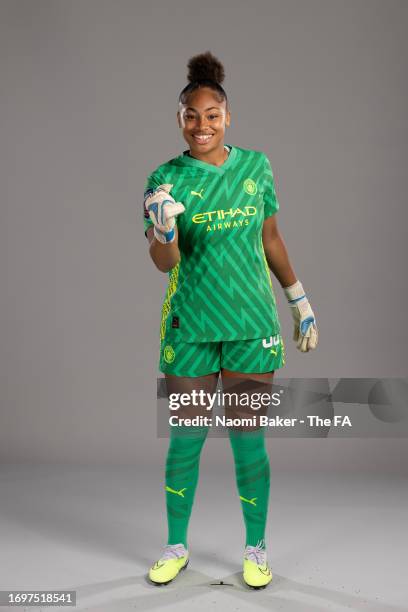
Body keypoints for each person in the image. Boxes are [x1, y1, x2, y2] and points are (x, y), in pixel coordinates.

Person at [143, 51, 318, 590]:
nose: (202, 125)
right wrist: (164, 230)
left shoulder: (256, 167)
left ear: (227, 117)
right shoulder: (164, 178)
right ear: (179, 120)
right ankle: (176, 547)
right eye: (191, 116)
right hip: (192, 327)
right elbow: (163, 263)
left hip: (250, 325)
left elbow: (270, 240)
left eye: (212, 115)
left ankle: (256, 550)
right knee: (185, 440)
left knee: (249, 440)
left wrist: (299, 301)